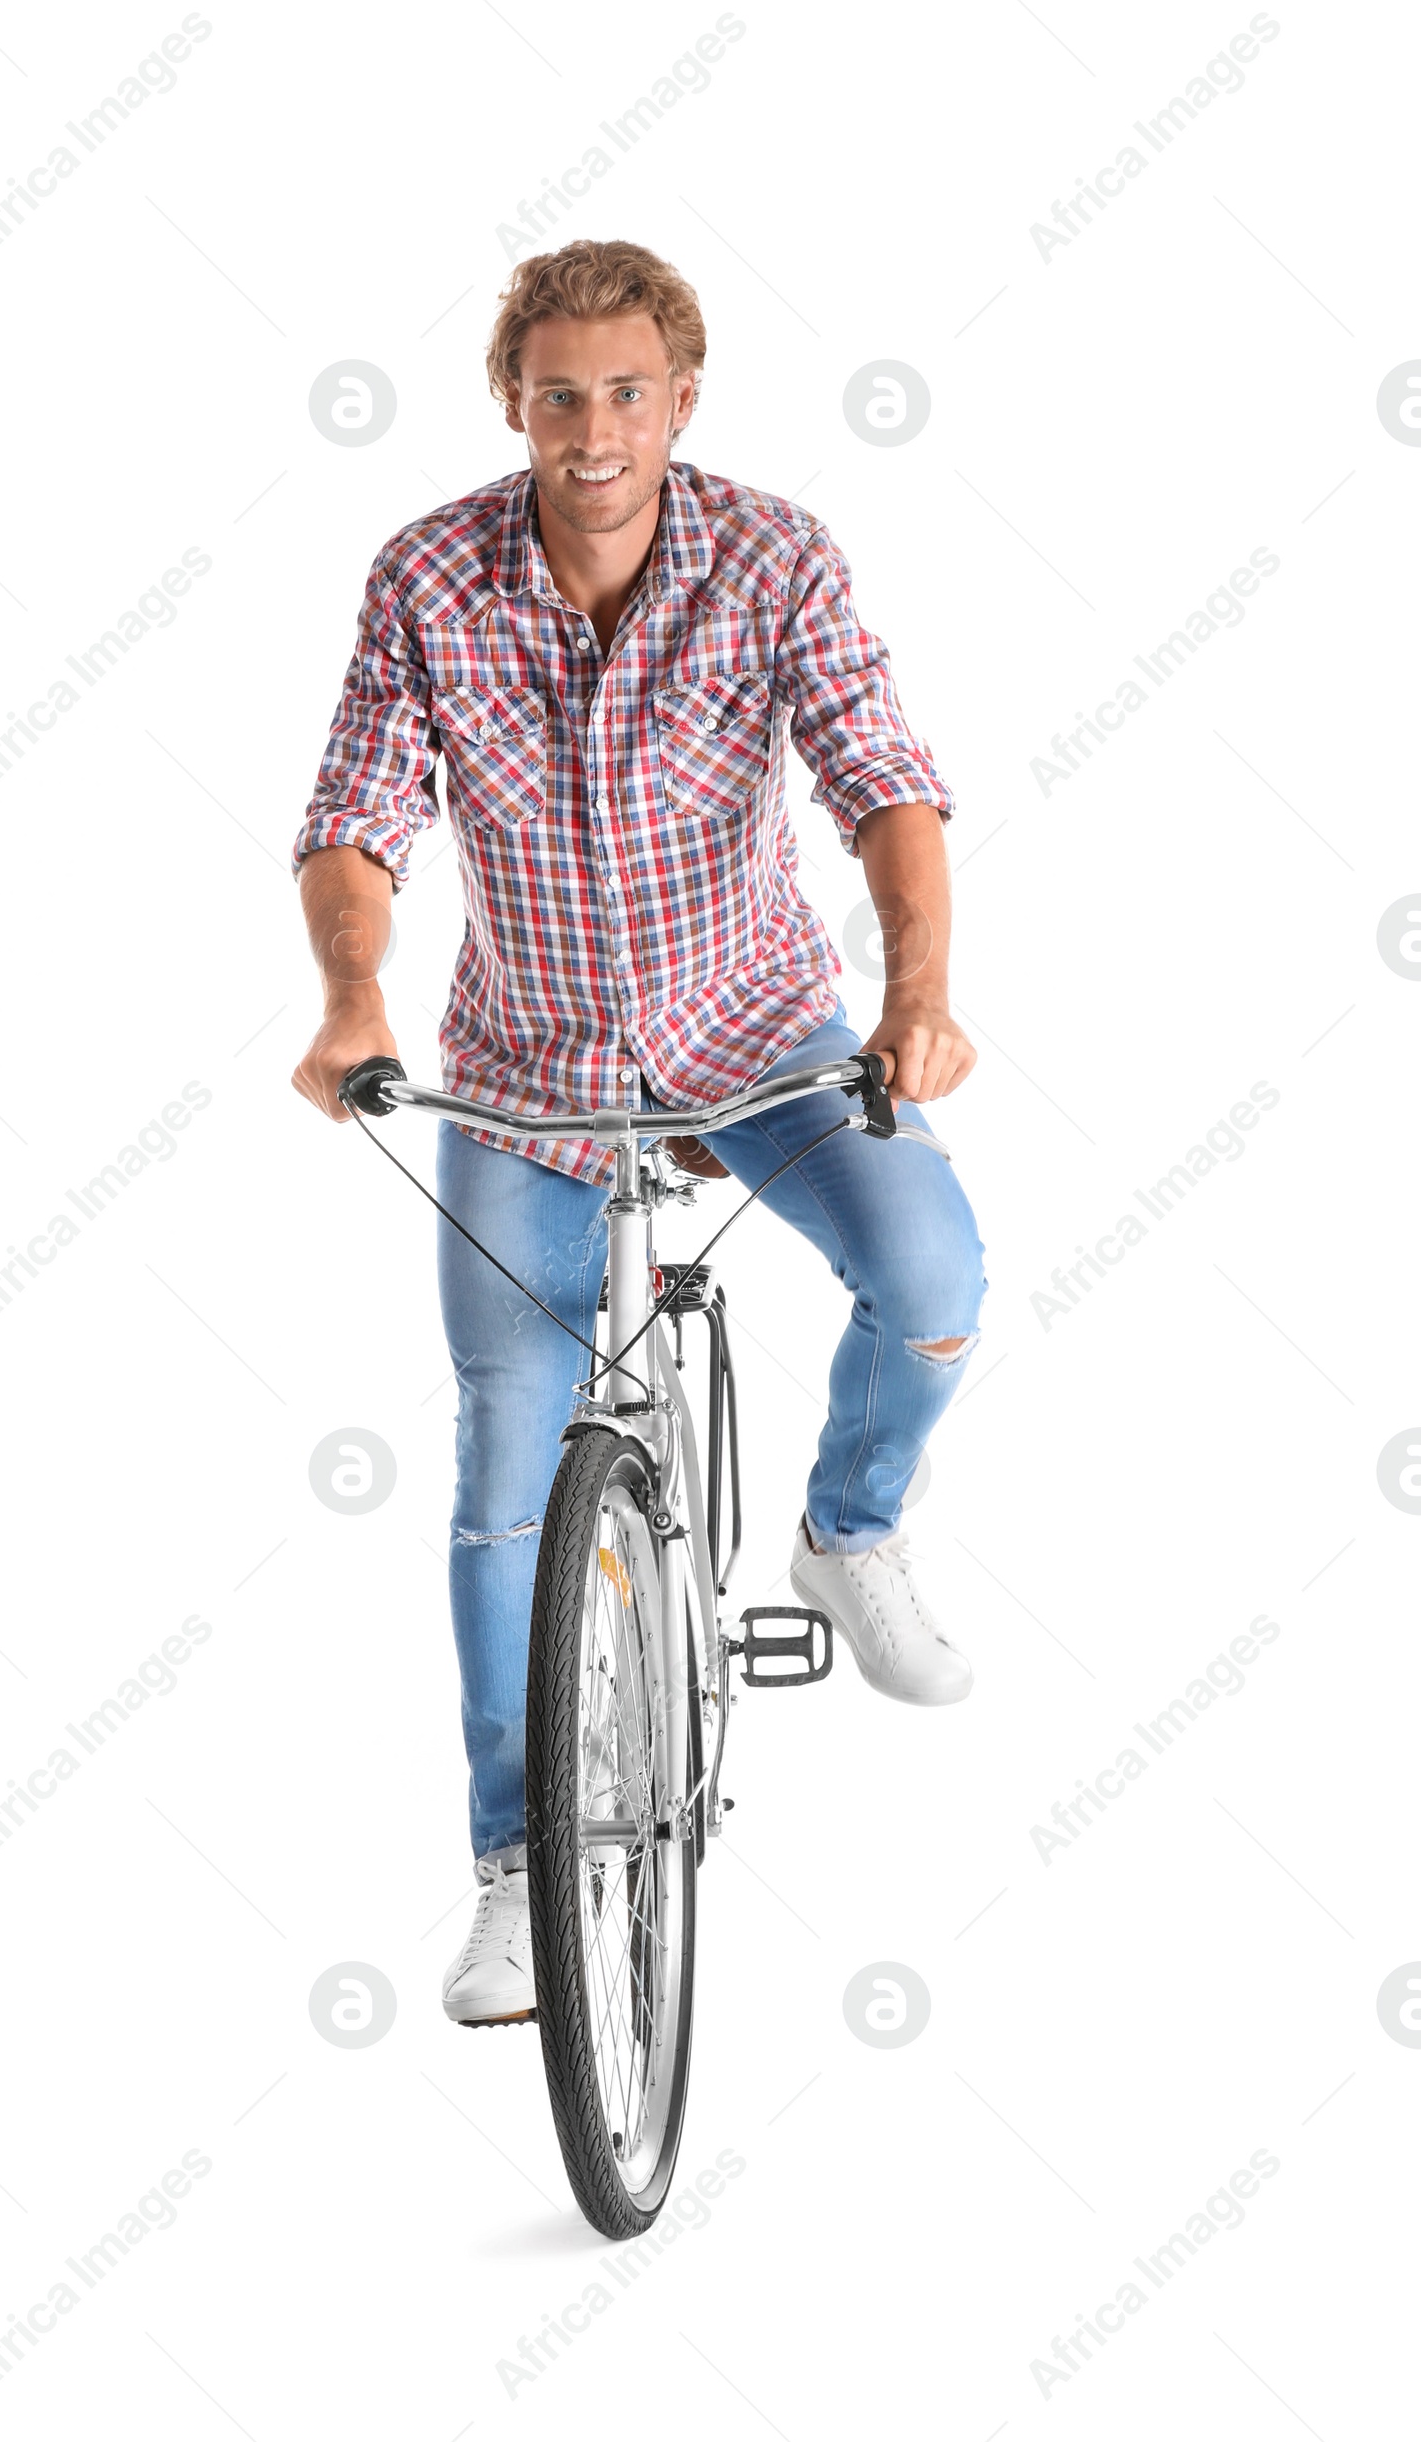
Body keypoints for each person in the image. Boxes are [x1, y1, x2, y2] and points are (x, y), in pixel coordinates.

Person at [291, 239, 987, 2027]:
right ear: (509, 399)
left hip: (754, 1040)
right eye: (556, 394)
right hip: (520, 1066)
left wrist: (916, 991)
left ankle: (849, 1524)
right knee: (506, 1446)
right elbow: (360, 808)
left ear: (682, 399)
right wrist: (356, 1001)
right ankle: (519, 1867)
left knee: (933, 1277)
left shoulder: (771, 555)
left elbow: (882, 780)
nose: (590, 431)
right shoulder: (429, 575)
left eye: (624, 393)